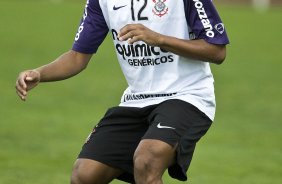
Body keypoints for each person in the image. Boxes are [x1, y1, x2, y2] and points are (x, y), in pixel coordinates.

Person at [15, 0, 229, 183]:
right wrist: (39, 73)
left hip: (187, 95)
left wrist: (159, 39)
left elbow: (217, 50)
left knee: (147, 159)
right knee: (85, 174)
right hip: (136, 100)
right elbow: (77, 57)